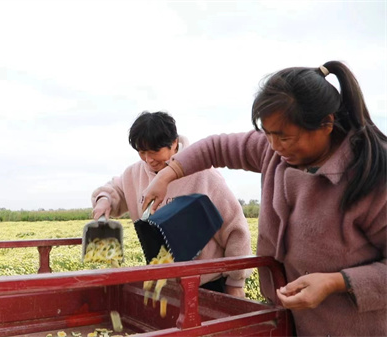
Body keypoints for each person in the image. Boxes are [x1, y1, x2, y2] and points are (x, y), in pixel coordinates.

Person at [142, 61, 386, 336]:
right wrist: (168, 173)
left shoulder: (370, 175)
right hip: (286, 319)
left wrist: (336, 282)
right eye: (267, 133)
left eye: (285, 137)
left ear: (326, 123)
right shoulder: (274, 151)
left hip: (352, 326)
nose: (273, 146)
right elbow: (216, 146)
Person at [91, 111, 252, 298]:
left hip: (208, 285)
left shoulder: (204, 175)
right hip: (165, 286)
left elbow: (236, 228)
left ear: (174, 143)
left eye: (154, 151)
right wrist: (104, 199)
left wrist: (235, 281)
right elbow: (115, 190)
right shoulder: (134, 174)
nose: (148, 159)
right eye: (142, 152)